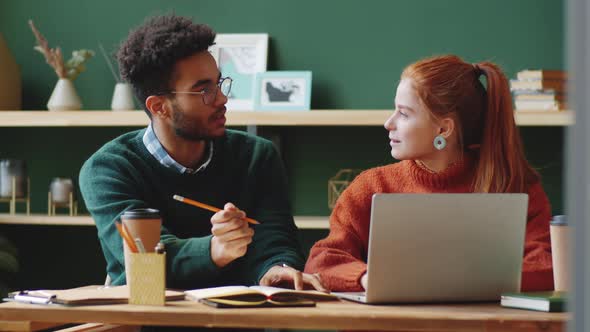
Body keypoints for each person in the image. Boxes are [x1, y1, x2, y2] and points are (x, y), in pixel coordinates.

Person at [79, 14, 324, 292]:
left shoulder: (257, 156)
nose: (222, 99)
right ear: (160, 107)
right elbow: (145, 262)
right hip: (150, 319)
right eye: (204, 91)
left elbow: (275, 237)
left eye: (219, 84)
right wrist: (214, 250)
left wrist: (276, 267)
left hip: (237, 318)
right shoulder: (109, 169)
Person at [305, 55, 553, 292]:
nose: (388, 123)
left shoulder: (516, 186)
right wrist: (370, 279)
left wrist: (454, 282)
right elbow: (323, 261)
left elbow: (547, 267)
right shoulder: (371, 187)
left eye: (403, 113)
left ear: (444, 128)